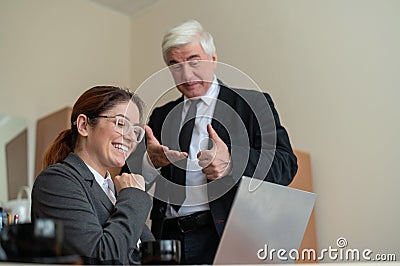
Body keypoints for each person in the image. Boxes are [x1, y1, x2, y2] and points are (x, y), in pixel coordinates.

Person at [127, 20, 298, 264]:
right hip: (167, 239)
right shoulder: (161, 115)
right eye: (175, 66)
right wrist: (149, 162)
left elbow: (286, 164)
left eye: (195, 61)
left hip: (226, 236)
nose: (186, 75)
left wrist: (231, 162)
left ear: (214, 59)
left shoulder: (253, 104)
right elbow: (127, 177)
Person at [31, 86, 154, 265]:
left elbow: (148, 255)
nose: (130, 137)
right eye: (121, 124)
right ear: (83, 125)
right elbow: (101, 258)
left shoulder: (116, 188)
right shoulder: (57, 181)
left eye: (135, 131)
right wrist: (134, 196)